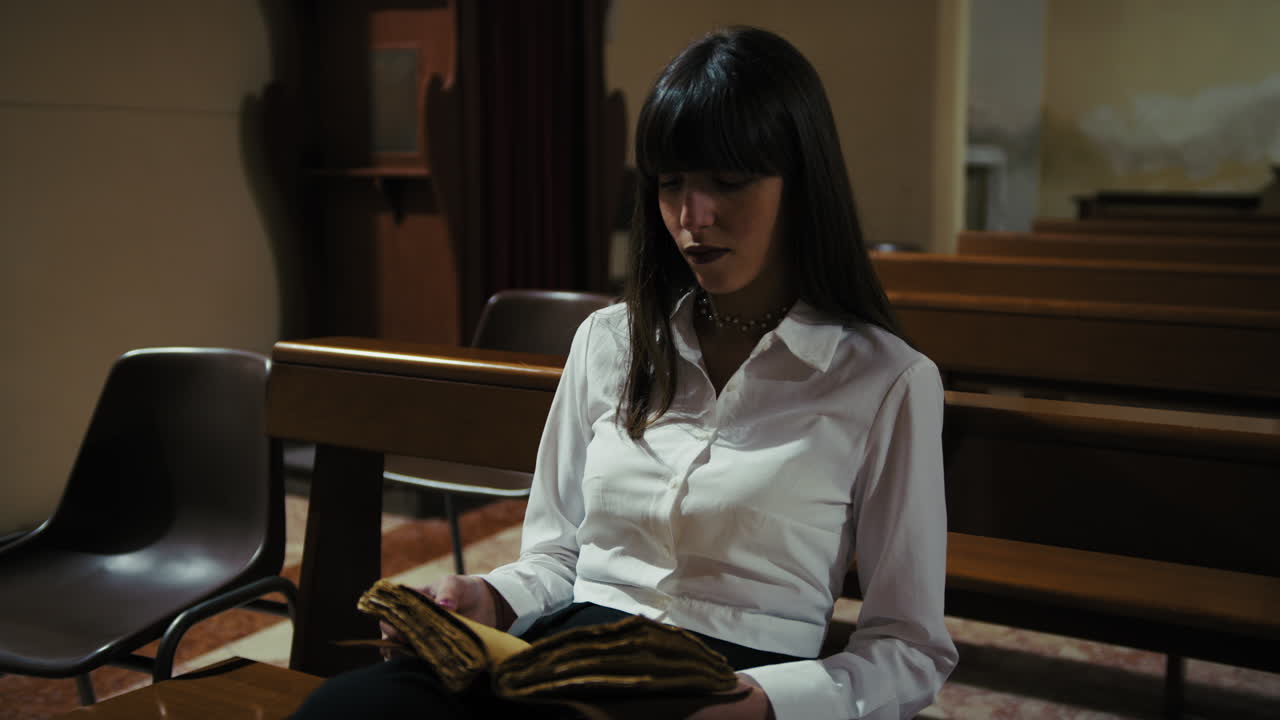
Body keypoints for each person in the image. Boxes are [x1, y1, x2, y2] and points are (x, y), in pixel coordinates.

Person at [290, 25, 956, 720]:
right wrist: (486, 598)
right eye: (671, 185)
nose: (692, 218)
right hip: (571, 653)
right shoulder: (610, 342)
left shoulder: (884, 380)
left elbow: (909, 647)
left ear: (802, 183)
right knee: (343, 710)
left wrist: (769, 705)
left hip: (733, 681)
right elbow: (556, 558)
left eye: (728, 182)